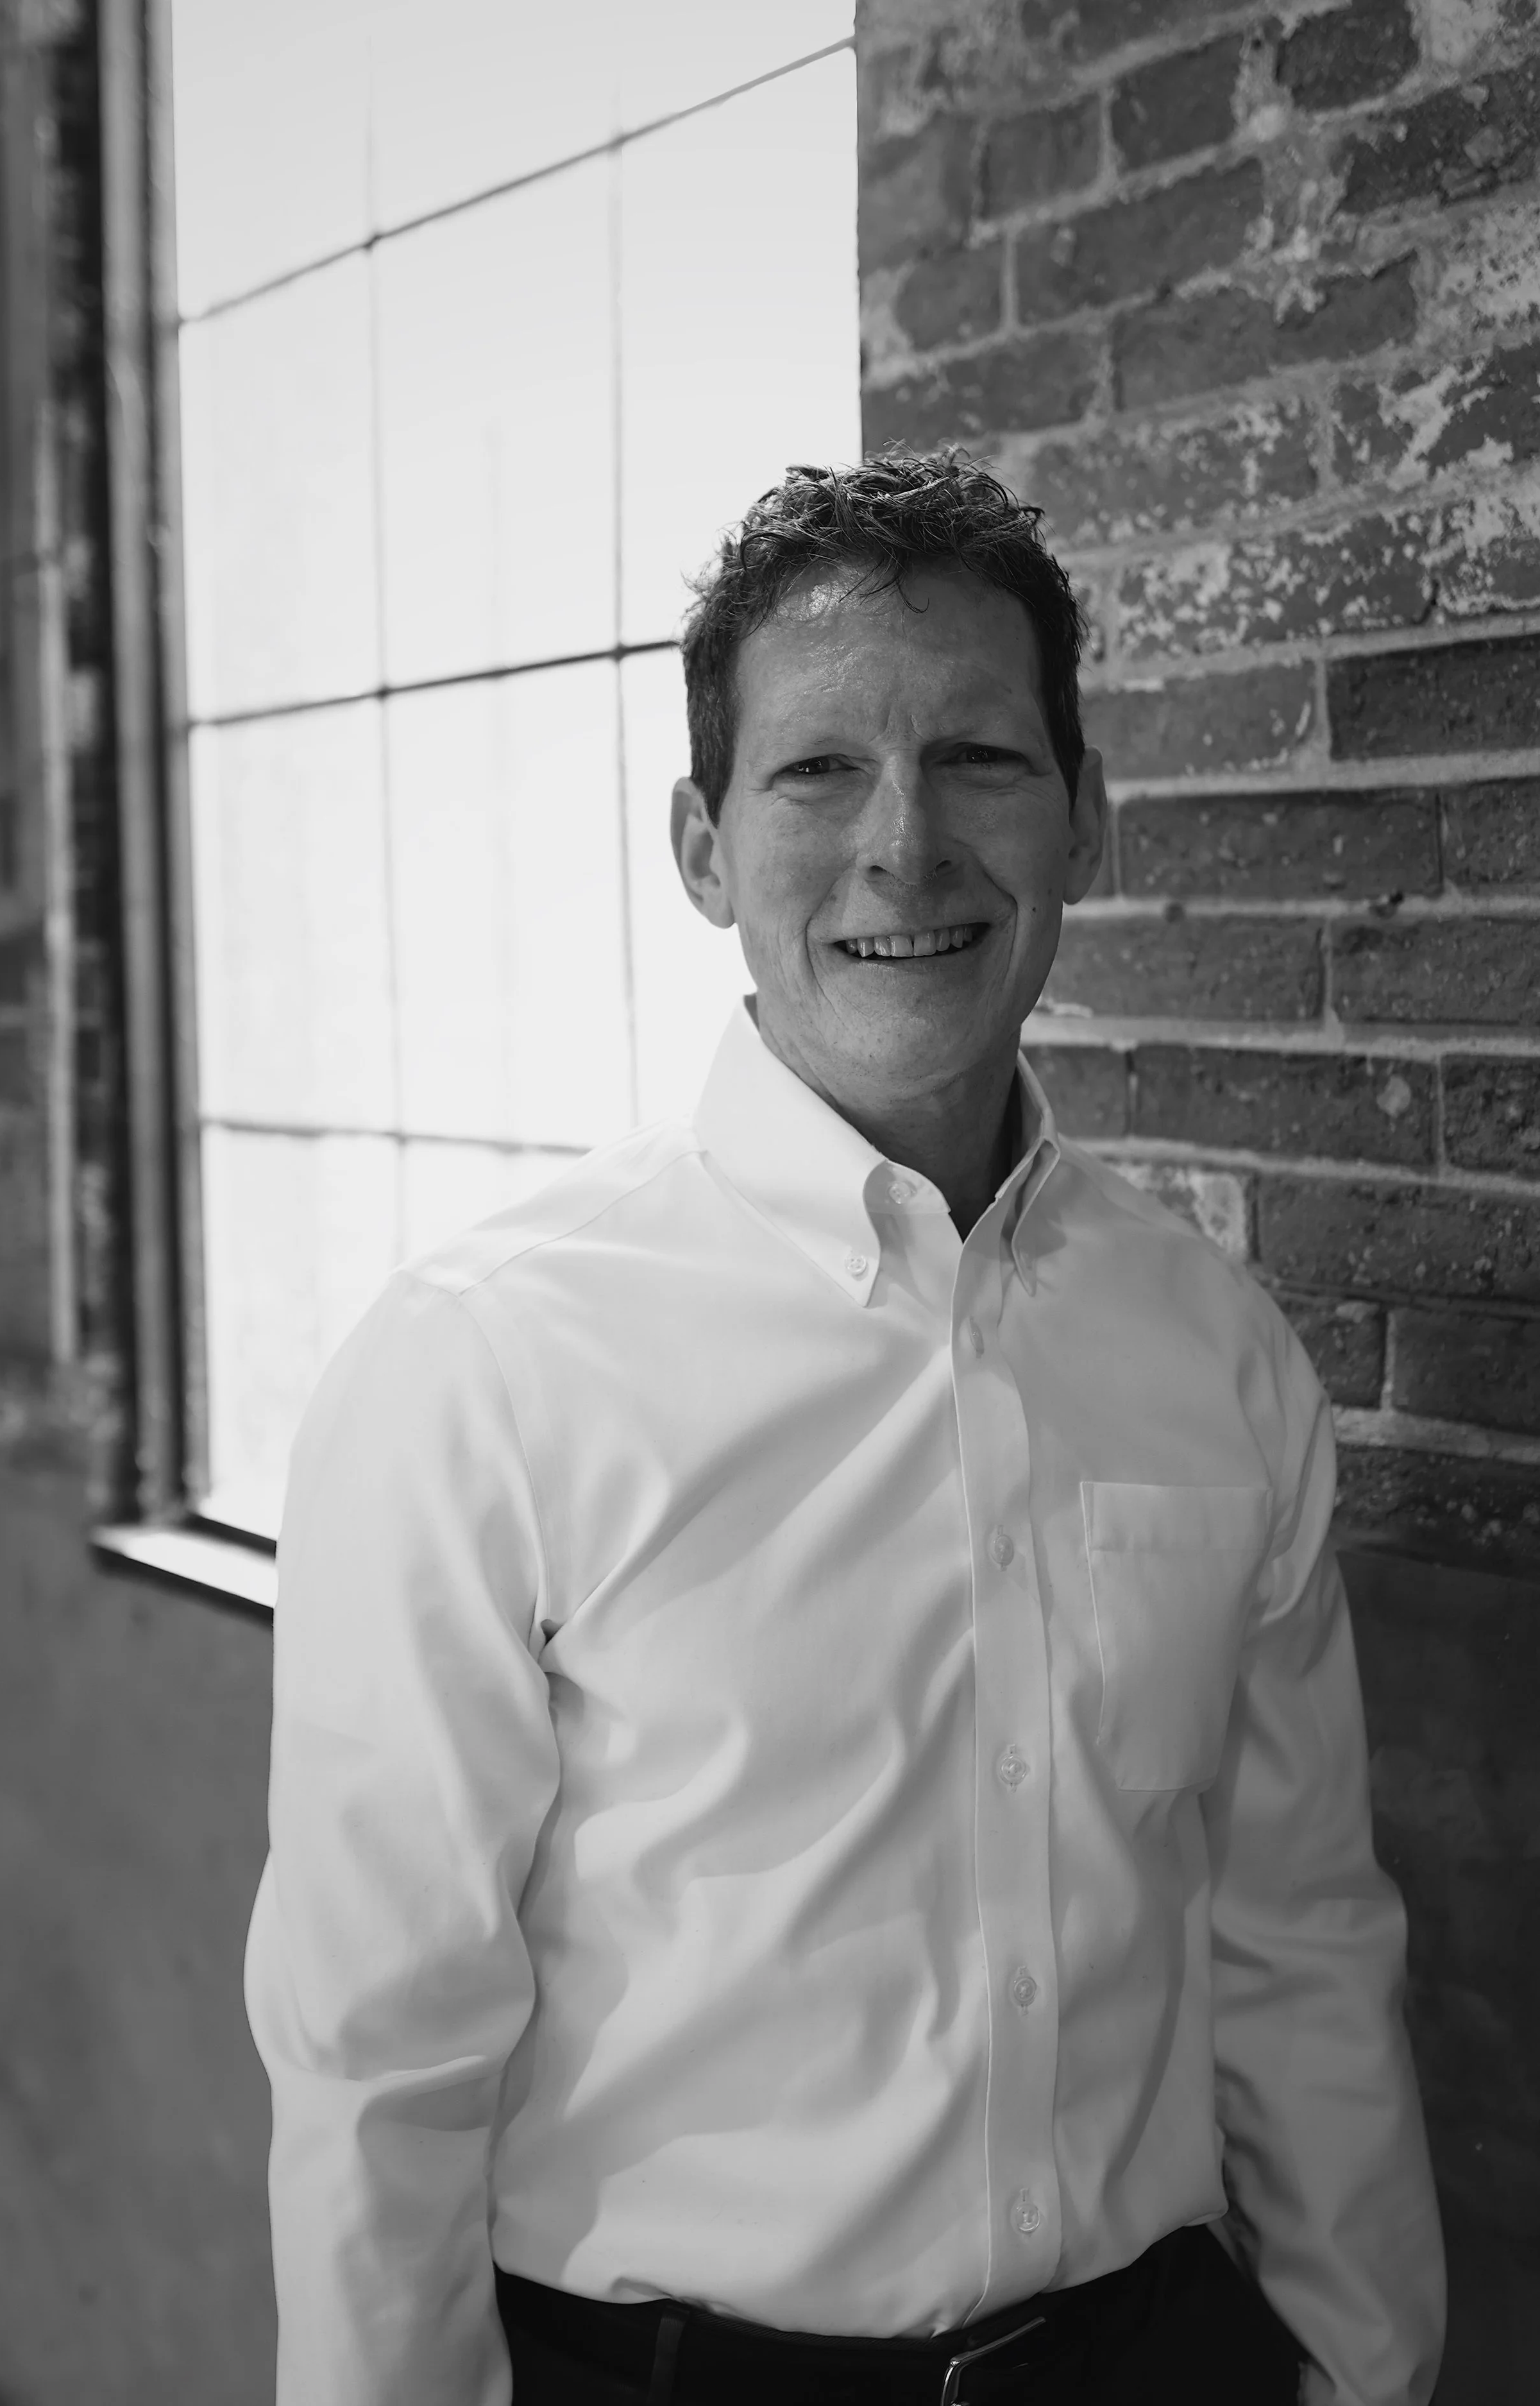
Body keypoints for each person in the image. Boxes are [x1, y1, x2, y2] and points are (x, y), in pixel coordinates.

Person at [244, 452, 1444, 2406]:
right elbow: (382, 2052)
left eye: (979, 756)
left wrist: (1367, 2369)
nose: (904, 849)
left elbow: (1297, 1937)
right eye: (816, 773)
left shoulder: (1216, 1353)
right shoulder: (481, 1365)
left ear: (1085, 813)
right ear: (701, 847)